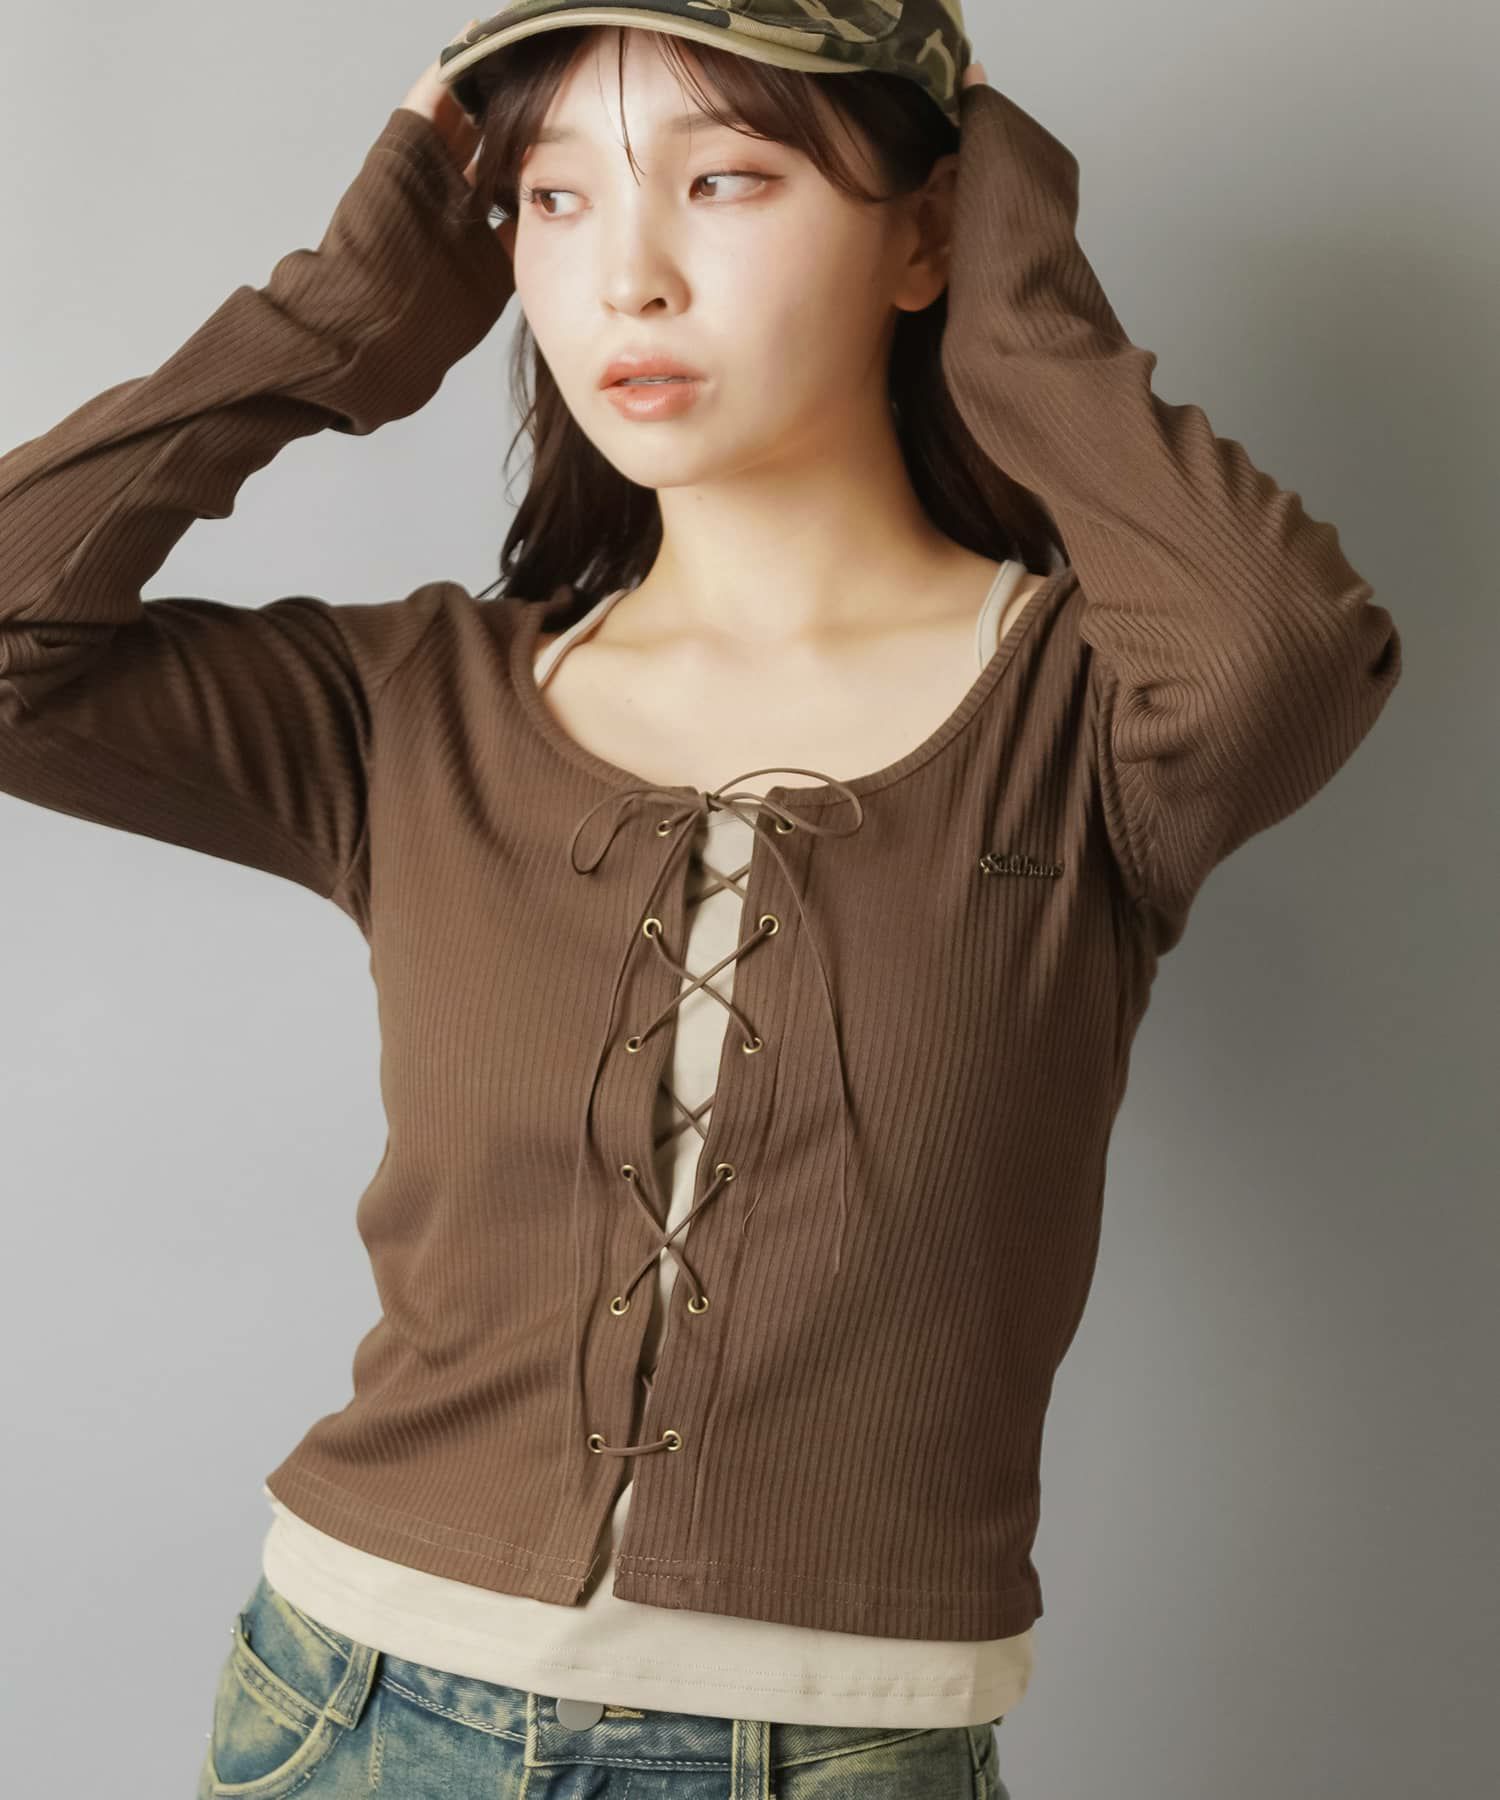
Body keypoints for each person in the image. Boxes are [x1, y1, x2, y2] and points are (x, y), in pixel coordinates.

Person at [0, 9, 1399, 1797]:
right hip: (348, 1711)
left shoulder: (1092, 720)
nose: (627, 278)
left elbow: (1287, 648)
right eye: (553, 200)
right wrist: (340, 318)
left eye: (726, 181)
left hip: (838, 1748)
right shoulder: (412, 709)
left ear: (926, 233)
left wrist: (1019, 298)